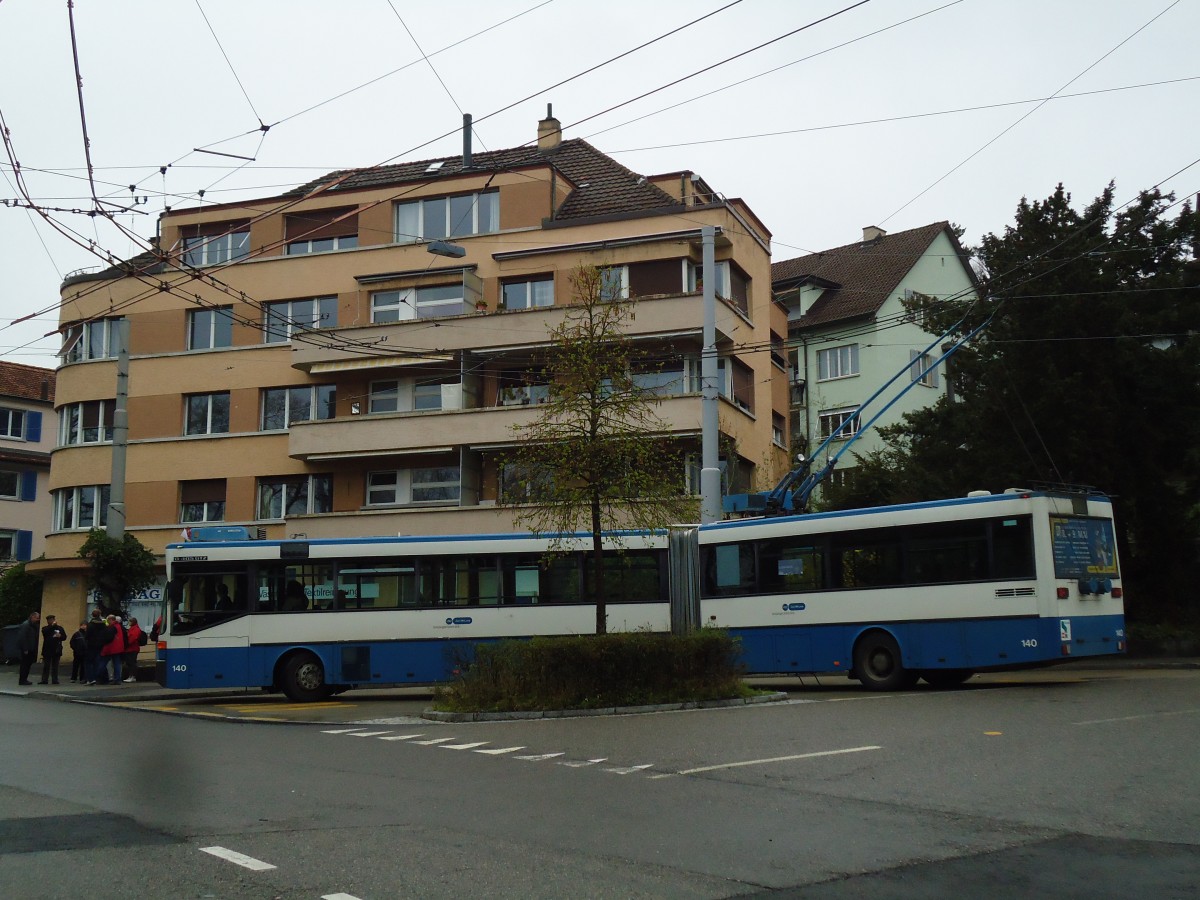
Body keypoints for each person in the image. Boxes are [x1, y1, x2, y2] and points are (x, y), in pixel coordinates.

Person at [38, 614, 67, 685]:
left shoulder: (59, 628)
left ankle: (55, 680)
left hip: (56, 649)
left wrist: (60, 636)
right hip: (47, 649)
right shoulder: (45, 628)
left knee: (55, 666)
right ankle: (44, 680)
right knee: (46, 666)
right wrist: (52, 626)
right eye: (49, 620)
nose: (51, 621)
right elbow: (45, 633)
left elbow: (64, 637)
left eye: (52, 620)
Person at [84, 608, 108, 684]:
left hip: (91, 645)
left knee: (88, 662)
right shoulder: (103, 625)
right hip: (100, 645)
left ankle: (90, 679)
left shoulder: (90, 625)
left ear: (92, 615)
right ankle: (97, 677)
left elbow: (87, 636)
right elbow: (105, 635)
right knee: (97, 662)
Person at [99, 614, 125, 685]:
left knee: (103, 663)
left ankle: (100, 678)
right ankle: (117, 679)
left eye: (108, 620)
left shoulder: (112, 627)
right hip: (118, 648)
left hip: (111, 648)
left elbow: (108, 638)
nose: (107, 622)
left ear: (111, 620)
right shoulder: (118, 626)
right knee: (117, 663)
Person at [16, 611, 40, 686]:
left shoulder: (33, 625)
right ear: (32, 617)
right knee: (24, 664)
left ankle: (24, 679)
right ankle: (22, 680)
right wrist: (25, 648)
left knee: (28, 664)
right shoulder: (26, 625)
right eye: (37, 618)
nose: (38, 619)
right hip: (27, 649)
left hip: (31, 648)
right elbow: (22, 638)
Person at [123, 617, 144, 683]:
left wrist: (127, 644)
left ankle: (132, 676)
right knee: (130, 663)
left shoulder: (135, 629)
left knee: (132, 663)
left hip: (132, 648)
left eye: (130, 621)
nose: (129, 623)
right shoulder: (133, 629)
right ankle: (131, 676)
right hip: (130, 648)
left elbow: (133, 638)